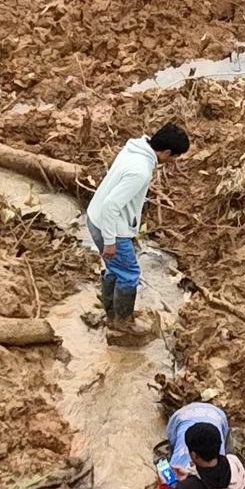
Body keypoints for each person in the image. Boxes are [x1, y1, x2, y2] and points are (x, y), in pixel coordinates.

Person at [87, 123, 189, 335]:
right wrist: (110, 241)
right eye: (174, 157)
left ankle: (112, 315)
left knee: (115, 268)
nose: (173, 162)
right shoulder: (140, 171)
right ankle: (123, 321)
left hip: (95, 217)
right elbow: (112, 206)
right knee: (129, 274)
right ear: (167, 152)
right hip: (111, 226)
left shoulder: (134, 147)